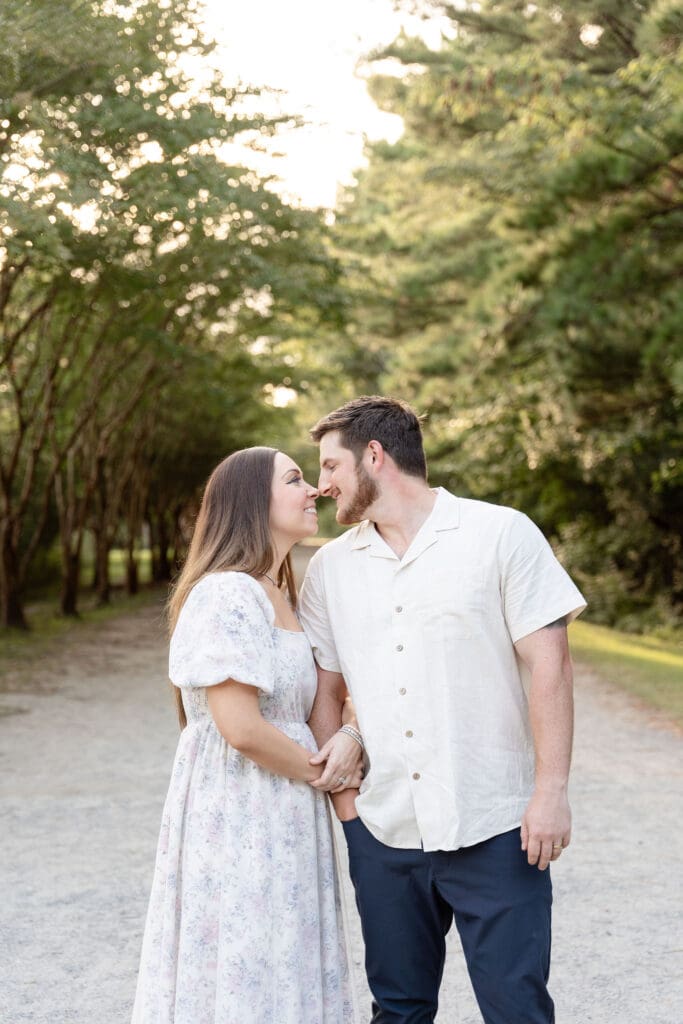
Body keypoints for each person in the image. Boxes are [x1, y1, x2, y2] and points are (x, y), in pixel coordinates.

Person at [298, 396, 587, 1024]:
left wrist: (551, 792)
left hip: (496, 824)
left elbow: (551, 666)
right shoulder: (329, 569)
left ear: (374, 456)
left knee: (517, 1010)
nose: (321, 486)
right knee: (399, 1011)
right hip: (385, 829)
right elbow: (324, 689)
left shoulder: (500, 533)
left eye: (329, 466)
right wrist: (349, 808)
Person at [131, 446, 363, 1024]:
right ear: (250, 502)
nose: (313, 489)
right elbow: (239, 728)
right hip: (242, 808)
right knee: (248, 959)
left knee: (283, 960)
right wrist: (324, 771)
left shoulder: (277, 590)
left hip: (283, 806)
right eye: (295, 479)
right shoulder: (227, 592)